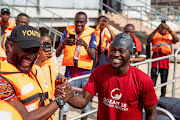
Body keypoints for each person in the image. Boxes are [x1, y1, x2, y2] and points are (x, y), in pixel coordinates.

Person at [61, 33, 158, 120]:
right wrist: (67, 95)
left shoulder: (143, 80)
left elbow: (151, 113)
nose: (115, 54)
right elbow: (83, 99)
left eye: (121, 51)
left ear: (131, 54)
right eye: (113, 50)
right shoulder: (99, 72)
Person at [0, 25, 67, 120]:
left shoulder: (35, 70)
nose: (31, 56)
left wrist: (59, 91)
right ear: (10, 46)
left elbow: (42, 98)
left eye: (35, 50)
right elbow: (25, 118)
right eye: (26, 49)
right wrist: (60, 100)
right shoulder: (2, 80)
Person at [56, 11, 96, 120]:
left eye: (81, 22)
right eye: (76, 22)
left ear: (86, 22)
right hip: (70, 75)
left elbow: (93, 56)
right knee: (64, 104)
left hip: (85, 76)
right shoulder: (67, 33)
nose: (78, 25)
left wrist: (85, 45)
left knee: (86, 106)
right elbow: (57, 53)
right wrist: (63, 43)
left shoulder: (91, 34)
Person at [147, 20, 179, 97]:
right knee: (153, 81)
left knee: (164, 81)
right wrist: (157, 28)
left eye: (164, 27)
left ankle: (163, 97)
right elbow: (148, 40)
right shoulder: (155, 34)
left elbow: (177, 40)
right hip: (155, 61)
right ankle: (151, 96)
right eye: (161, 27)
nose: (163, 29)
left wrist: (169, 30)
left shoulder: (169, 35)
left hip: (165, 62)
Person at [35, 33, 59, 99]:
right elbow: (31, 74)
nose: (45, 47)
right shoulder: (33, 58)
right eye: (43, 44)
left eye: (48, 44)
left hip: (52, 97)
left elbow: (55, 76)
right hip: (40, 98)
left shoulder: (53, 58)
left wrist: (60, 80)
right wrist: (39, 60)